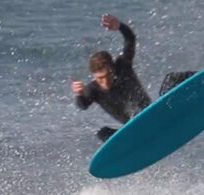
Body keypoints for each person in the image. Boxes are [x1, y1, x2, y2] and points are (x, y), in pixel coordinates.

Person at [71, 14, 193, 142]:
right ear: (93, 76)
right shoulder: (93, 90)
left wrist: (120, 26)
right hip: (133, 132)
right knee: (102, 133)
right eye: (100, 78)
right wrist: (79, 94)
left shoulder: (123, 67)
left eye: (108, 75)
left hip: (155, 117)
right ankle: (125, 155)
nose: (105, 81)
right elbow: (82, 106)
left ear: (113, 68)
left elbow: (130, 39)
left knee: (171, 79)